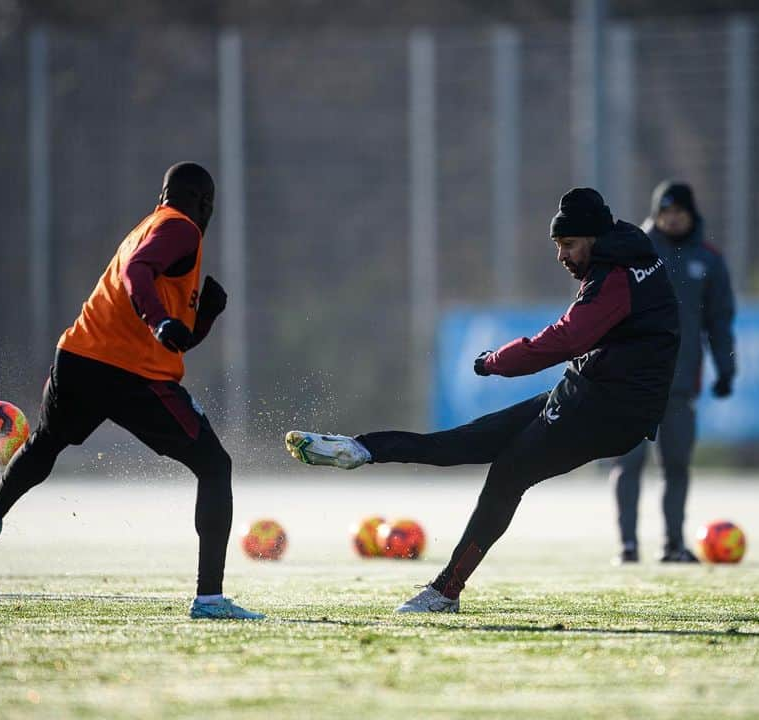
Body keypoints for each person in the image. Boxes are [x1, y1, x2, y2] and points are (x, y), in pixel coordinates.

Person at [284, 188, 680, 613]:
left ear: (595, 238)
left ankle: (445, 590)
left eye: (568, 245)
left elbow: (567, 338)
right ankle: (361, 448)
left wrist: (495, 361)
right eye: (558, 246)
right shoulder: (630, 253)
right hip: (594, 395)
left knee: (506, 472)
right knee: (467, 442)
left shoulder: (615, 275)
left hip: (606, 410)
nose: (561, 256)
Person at [0, 162, 263, 620]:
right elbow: (140, 277)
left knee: (45, 443)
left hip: (77, 356)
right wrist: (159, 321)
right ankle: (210, 599)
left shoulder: (150, 226)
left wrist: (205, 316)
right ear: (204, 204)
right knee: (215, 465)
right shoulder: (181, 229)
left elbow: (178, 337)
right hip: (128, 372)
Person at [610, 180, 736, 565]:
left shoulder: (709, 260)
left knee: (676, 465)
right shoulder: (634, 252)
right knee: (628, 463)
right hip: (632, 381)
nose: (672, 218)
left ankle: (674, 545)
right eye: (665, 212)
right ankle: (628, 545)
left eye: (679, 211)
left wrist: (726, 367)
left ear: (691, 213)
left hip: (681, 382)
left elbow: (719, 320)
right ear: (656, 214)